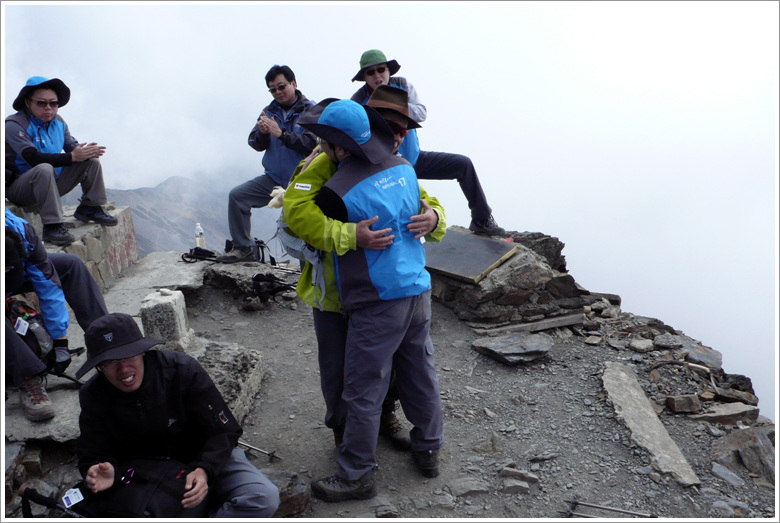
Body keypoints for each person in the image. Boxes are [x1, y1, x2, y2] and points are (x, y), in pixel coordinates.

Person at [296, 99, 444, 502]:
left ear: (340, 147)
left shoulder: (339, 189)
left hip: (377, 299)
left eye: (325, 140)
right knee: (419, 372)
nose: (320, 145)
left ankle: (357, 473)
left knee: (363, 387)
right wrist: (432, 215)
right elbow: (422, 205)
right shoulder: (402, 167)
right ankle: (428, 447)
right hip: (417, 288)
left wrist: (351, 236)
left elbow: (298, 218)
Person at [74, 312, 280, 517]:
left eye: (129, 356)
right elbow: (92, 452)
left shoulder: (182, 371)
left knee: (263, 497)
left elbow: (224, 432)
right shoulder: (94, 395)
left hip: (201, 456)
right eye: (109, 363)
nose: (123, 369)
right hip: (144, 474)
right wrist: (105, 470)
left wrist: (204, 470)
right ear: (99, 366)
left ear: (142, 351)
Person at [350, 49, 506, 236]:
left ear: (388, 70)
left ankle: (482, 219)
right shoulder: (357, 102)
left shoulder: (403, 85)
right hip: (384, 170)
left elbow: (421, 113)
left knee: (463, 164)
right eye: (370, 72)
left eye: (381, 69)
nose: (377, 75)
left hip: (414, 159)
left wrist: (393, 106)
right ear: (364, 77)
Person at [5, 208, 109, 421]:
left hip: (16, 260)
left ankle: (105, 343)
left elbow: (47, 282)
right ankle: (28, 377)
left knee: (70, 265)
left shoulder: (23, 231)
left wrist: (60, 341)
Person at [219, 65, 318, 262]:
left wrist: (282, 134)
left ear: (294, 84)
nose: (278, 92)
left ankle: (309, 276)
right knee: (238, 197)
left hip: (302, 180)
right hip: (273, 179)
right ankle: (244, 249)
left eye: (282, 87)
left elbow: (311, 144)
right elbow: (254, 143)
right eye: (273, 89)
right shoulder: (269, 111)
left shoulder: (311, 110)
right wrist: (263, 133)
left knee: (300, 228)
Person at [5, 76, 118, 247]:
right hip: (21, 188)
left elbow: (71, 146)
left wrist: (84, 152)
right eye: (41, 103)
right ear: (28, 102)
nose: (48, 108)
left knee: (90, 162)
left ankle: (90, 207)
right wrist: (72, 156)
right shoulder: (14, 125)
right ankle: (52, 226)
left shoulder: (59, 122)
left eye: (53, 103)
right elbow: (32, 158)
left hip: (50, 184)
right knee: (44, 168)